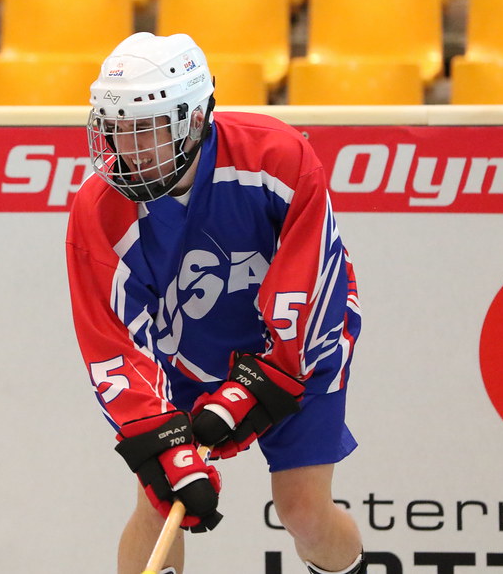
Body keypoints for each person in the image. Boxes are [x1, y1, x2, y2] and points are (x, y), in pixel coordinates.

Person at [65, 32, 365, 574]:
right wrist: (164, 443)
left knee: (303, 511)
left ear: (197, 119)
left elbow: (311, 290)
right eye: (116, 130)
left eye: (147, 130)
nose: (129, 149)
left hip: (298, 343)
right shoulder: (97, 211)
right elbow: (112, 345)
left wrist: (247, 394)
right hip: (184, 354)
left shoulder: (278, 157)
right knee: (160, 504)